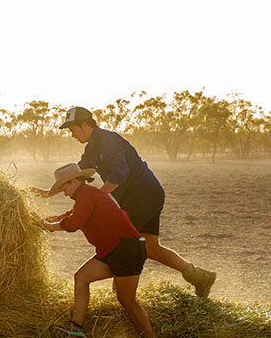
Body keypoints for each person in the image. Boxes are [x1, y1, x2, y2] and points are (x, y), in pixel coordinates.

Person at [55, 106, 216, 298]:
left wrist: (99, 197)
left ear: (84, 125)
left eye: (72, 130)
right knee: (151, 249)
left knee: (120, 240)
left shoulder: (109, 141)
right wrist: (52, 190)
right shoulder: (91, 149)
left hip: (144, 195)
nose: (72, 135)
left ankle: (122, 294)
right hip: (143, 196)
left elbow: (120, 173)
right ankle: (200, 277)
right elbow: (76, 175)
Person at [31, 163, 166, 338]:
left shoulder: (87, 194)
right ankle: (76, 328)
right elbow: (69, 215)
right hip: (112, 250)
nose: (65, 193)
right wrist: (44, 222)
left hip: (126, 248)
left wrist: (50, 226)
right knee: (82, 277)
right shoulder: (85, 195)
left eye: (65, 188)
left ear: (75, 181)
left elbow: (75, 222)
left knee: (127, 300)